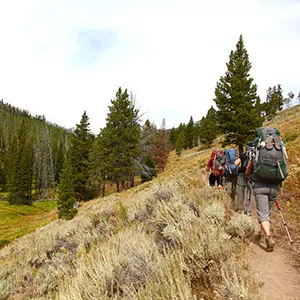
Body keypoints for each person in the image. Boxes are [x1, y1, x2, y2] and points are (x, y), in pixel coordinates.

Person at [246, 157, 280, 252]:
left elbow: (248, 172)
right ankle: (261, 234)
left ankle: (268, 238)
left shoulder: (256, 153)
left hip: (260, 187)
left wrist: (250, 177)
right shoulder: (278, 151)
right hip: (274, 187)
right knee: (267, 212)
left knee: (263, 214)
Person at [235, 144, 255, 215]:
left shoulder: (244, 154)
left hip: (242, 174)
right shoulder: (256, 154)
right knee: (250, 192)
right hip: (252, 176)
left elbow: (236, 163)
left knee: (241, 191)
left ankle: (240, 208)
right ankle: (248, 210)